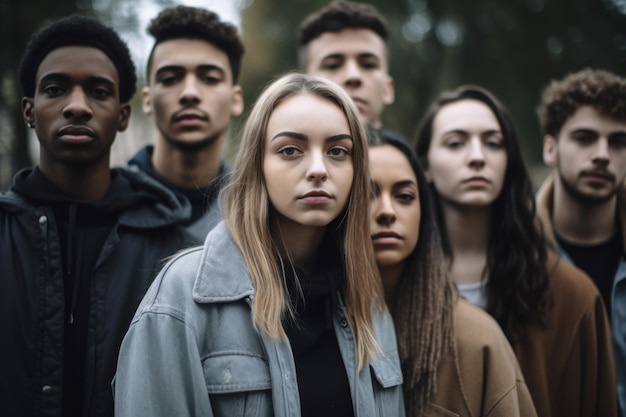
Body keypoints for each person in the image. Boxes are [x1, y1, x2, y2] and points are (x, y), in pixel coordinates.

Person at [114, 73, 405, 417]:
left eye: (338, 151)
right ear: (257, 166)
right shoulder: (183, 296)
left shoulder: (367, 303)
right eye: (290, 150)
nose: (318, 169)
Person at [0, 14, 194, 417]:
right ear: (29, 110)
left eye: (98, 91)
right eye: (55, 89)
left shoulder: (176, 253)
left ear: (122, 116)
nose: (76, 106)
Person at [415, 85, 617, 417]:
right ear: (424, 166)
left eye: (493, 143)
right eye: (456, 143)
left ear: (509, 161)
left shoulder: (572, 295)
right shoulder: (392, 285)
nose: (477, 156)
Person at [369, 134, 537, 416]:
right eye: (365, 195)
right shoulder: (309, 329)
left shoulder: (476, 340)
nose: (387, 212)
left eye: (405, 197)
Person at [535, 68, 626, 417]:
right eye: (585, 138)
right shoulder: (512, 255)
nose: (602, 154)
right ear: (550, 148)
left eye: (618, 142)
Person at [128, 5, 244, 242]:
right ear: (147, 100)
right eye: (170, 79)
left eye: (209, 79)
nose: (189, 93)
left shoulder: (257, 214)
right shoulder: (105, 207)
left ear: (235, 99)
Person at [298, 0, 405, 144]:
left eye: (368, 65)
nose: (352, 76)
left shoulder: (403, 162)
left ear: (388, 89)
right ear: (301, 89)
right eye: (332, 66)